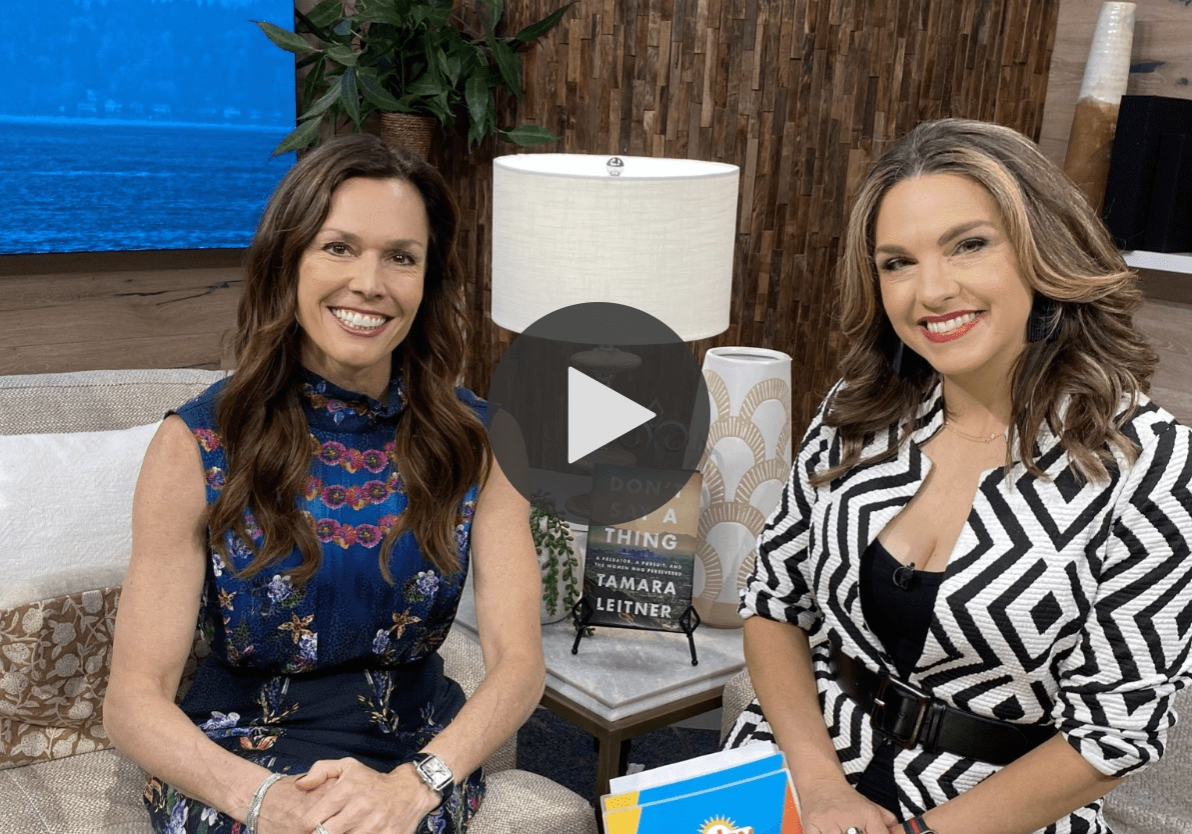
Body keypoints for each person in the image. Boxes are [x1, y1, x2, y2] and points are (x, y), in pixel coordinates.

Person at [725, 118, 1192, 834]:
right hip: (807, 768)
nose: (931, 291)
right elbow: (773, 604)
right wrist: (820, 789)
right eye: (897, 263)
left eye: (968, 245)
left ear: (1042, 248)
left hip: (993, 811)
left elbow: (1111, 735)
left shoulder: (1150, 466)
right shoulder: (859, 409)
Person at [104, 134, 545, 834]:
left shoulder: (484, 442)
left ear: (426, 281)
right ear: (290, 262)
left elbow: (520, 664)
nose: (370, 282)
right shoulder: (196, 444)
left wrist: (415, 785)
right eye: (339, 247)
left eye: (401, 257)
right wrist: (262, 799)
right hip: (235, 758)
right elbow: (132, 697)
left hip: (415, 750)